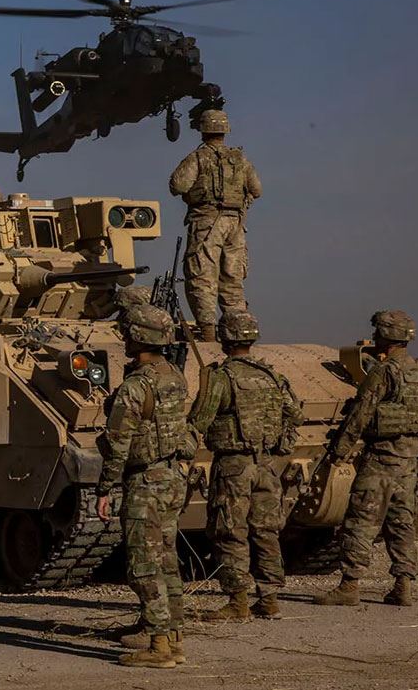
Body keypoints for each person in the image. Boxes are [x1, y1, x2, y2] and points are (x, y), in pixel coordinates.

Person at [315, 310, 418, 608]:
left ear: (386, 336)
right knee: (401, 522)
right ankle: (403, 585)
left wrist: (339, 451)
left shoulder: (384, 372)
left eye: (378, 331)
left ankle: (349, 585)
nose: (374, 336)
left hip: (382, 459)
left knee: (361, 520)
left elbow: (361, 414)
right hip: (409, 460)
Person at [187, 310, 303, 621]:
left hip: (233, 466)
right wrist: (280, 440)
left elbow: (200, 420)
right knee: (266, 531)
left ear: (224, 338)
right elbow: (294, 413)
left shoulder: (222, 377)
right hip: (266, 464)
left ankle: (238, 602)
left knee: (230, 531)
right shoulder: (271, 376)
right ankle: (269, 599)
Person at [96, 303, 192, 669]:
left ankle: (158, 645)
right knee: (166, 559)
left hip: (145, 482)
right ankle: (174, 636)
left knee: (143, 564)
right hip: (171, 477)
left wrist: (105, 488)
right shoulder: (174, 376)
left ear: (136, 337)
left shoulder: (136, 387)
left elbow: (118, 443)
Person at [167, 109, 261, 341]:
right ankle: (239, 335)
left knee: (202, 276)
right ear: (225, 130)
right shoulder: (240, 159)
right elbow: (257, 189)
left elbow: (178, 185)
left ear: (203, 130)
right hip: (236, 225)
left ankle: (208, 334)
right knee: (233, 280)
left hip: (206, 223)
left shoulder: (198, 158)